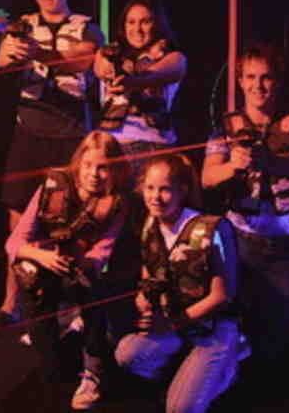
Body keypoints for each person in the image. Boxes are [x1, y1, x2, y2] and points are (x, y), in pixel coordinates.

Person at [0, 0, 105, 331]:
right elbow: (2, 61)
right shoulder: (24, 25)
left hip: (71, 136)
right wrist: (9, 52)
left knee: (75, 226)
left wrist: (40, 53)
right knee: (18, 223)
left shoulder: (86, 26)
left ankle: (75, 311)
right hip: (29, 133)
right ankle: (10, 305)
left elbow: (81, 61)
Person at [201, 42, 289, 371]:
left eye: (266, 77)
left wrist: (270, 161)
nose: (258, 85)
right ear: (240, 81)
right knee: (234, 326)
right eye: (251, 77)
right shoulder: (225, 128)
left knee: (278, 333)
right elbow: (207, 177)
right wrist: (233, 166)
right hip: (240, 241)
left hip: (287, 245)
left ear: (278, 81)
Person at [5, 130, 131, 410]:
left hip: (85, 270)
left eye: (102, 167)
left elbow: (103, 252)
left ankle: (93, 370)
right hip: (46, 263)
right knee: (29, 276)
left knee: (92, 288)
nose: (94, 174)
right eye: (88, 165)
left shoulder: (116, 203)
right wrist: (43, 256)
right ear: (78, 163)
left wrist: (80, 262)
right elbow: (15, 242)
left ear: (114, 169)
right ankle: (49, 352)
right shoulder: (53, 187)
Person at [115, 153, 247, 413]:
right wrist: (144, 298)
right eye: (150, 188)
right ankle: (184, 369)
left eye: (164, 189)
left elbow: (222, 296)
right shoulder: (150, 224)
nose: (155, 197)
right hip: (176, 324)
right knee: (127, 354)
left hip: (212, 330)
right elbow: (149, 271)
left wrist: (173, 323)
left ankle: (226, 366)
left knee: (180, 409)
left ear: (182, 190)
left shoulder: (211, 229)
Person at [93, 0, 186, 181]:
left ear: (157, 24)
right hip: (111, 148)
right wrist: (115, 69)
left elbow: (160, 74)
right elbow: (102, 69)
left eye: (145, 22)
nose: (137, 29)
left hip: (153, 147)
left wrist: (132, 81)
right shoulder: (107, 53)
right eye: (131, 22)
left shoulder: (173, 57)